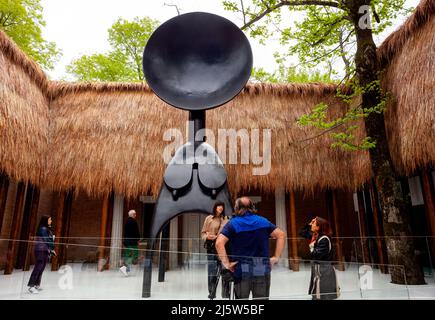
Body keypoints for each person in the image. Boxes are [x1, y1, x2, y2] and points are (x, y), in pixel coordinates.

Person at [216, 196, 286, 300]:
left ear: (237, 208)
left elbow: (219, 243)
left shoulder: (233, 224)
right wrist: (276, 257)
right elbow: (281, 235)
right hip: (261, 267)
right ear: (252, 207)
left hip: (241, 268)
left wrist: (226, 263)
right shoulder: (263, 221)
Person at [201, 201, 229, 299]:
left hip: (223, 248)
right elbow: (203, 233)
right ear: (215, 207)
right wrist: (207, 237)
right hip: (211, 248)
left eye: (222, 206)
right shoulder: (209, 219)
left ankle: (225, 294)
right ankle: (211, 293)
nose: (221, 207)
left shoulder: (226, 219)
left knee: (225, 271)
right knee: (212, 271)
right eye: (218, 206)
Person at [308, 216, 340, 300]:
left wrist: (311, 247)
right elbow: (302, 232)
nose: (311, 225)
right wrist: (310, 223)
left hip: (324, 271)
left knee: (323, 296)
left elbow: (316, 255)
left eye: (313, 223)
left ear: (318, 227)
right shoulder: (318, 236)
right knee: (319, 295)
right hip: (320, 270)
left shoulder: (324, 239)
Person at [28, 215, 55, 294]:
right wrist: (52, 247)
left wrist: (51, 249)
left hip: (45, 250)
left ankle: (37, 285)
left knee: (42, 268)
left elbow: (49, 240)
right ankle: (31, 286)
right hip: (40, 250)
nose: (51, 221)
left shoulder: (46, 229)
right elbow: (46, 239)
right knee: (38, 267)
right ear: (45, 221)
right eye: (50, 220)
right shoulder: (43, 229)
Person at [120, 209, 141, 276]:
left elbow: (125, 232)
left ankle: (126, 269)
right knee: (135, 254)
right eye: (135, 214)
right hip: (133, 242)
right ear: (132, 215)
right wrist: (138, 239)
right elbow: (136, 231)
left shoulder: (126, 222)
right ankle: (125, 267)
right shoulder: (134, 222)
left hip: (127, 241)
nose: (135, 215)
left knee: (128, 255)